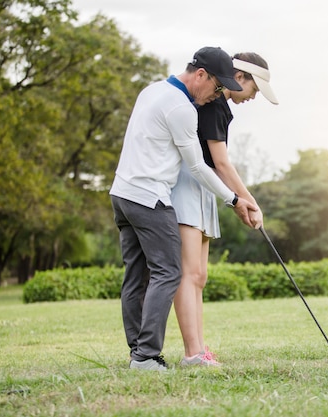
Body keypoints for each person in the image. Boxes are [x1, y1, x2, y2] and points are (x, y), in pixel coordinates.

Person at [109, 46, 260, 371]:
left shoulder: (152, 91)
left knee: (137, 277)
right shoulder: (182, 108)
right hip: (150, 197)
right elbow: (198, 167)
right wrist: (234, 199)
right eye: (217, 87)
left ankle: (138, 355)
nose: (217, 94)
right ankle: (147, 356)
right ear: (201, 75)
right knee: (169, 273)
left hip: (121, 193)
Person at [171, 52, 279, 366]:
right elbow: (220, 164)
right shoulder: (214, 105)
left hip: (203, 190)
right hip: (187, 187)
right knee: (188, 273)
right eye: (254, 90)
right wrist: (250, 203)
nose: (253, 97)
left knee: (200, 276)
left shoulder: (219, 107)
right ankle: (192, 353)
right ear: (240, 77)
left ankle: (200, 348)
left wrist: (242, 201)